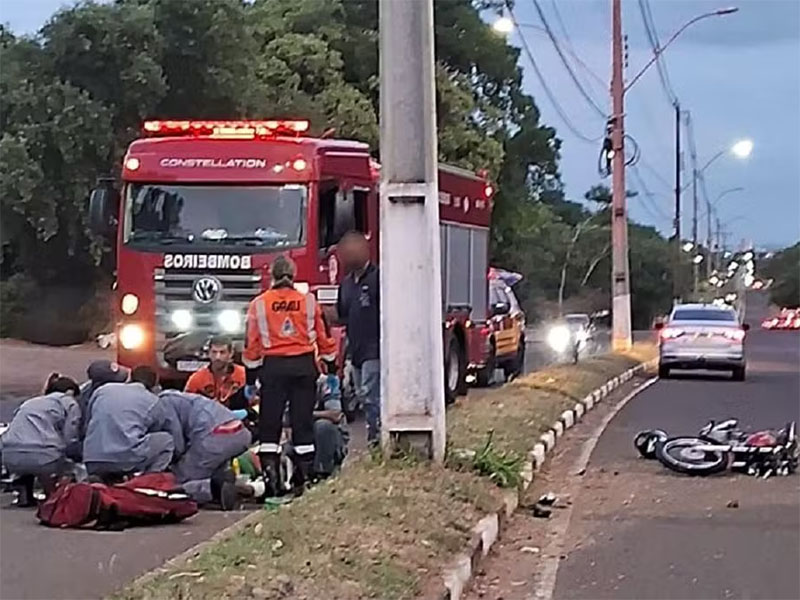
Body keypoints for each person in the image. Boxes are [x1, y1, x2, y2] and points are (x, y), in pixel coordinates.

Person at [243, 254, 336, 496]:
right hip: (304, 367)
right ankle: (302, 479)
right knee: (302, 422)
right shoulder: (308, 302)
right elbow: (325, 338)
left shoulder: (259, 304)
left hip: (273, 369)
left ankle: (272, 482)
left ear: (271, 276)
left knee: (270, 425)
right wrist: (332, 369)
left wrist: (251, 380)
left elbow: (252, 345)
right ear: (293, 275)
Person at [82, 366, 182, 480]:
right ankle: (146, 482)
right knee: (167, 440)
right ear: (154, 385)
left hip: (92, 458)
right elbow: (158, 428)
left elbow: (87, 421)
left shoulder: (104, 390)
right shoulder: (153, 401)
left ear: (130, 377)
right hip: (124, 459)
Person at [159, 390, 253, 510]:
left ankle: (215, 490)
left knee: (180, 480)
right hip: (239, 432)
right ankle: (234, 488)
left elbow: (177, 442)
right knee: (211, 470)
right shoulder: (185, 398)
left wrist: (171, 461)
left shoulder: (164, 402)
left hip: (215, 437)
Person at [0, 376, 82, 506]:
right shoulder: (68, 403)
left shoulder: (30, 402)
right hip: (44, 457)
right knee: (62, 460)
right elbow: (70, 438)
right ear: (70, 392)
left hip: (10, 456)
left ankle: (24, 489)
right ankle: (52, 494)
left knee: (29, 448)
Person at [336, 231, 380, 446]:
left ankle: (377, 438)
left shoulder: (377, 278)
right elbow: (342, 314)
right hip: (356, 351)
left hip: (375, 349)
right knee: (362, 396)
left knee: (372, 394)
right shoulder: (346, 284)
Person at [184, 335, 248, 409]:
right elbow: (186, 406)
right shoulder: (197, 379)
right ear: (209, 354)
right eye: (214, 352)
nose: (218, 357)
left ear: (230, 354)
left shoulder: (244, 375)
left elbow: (258, 402)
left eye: (222, 352)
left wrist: (246, 412)